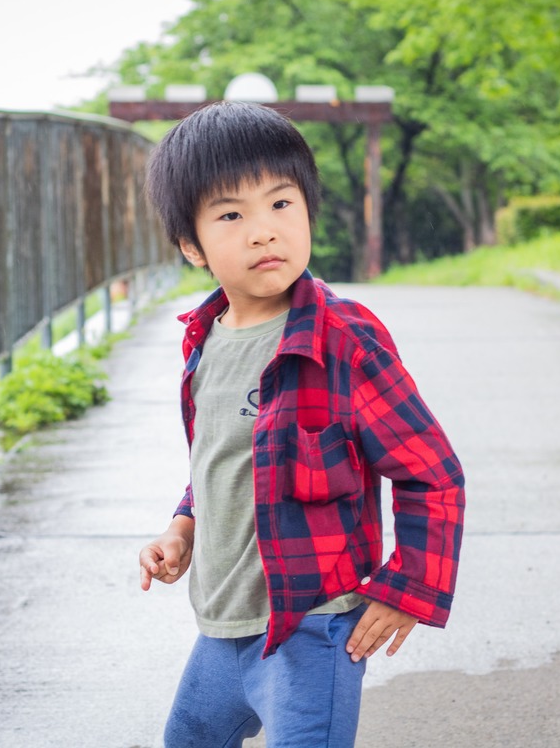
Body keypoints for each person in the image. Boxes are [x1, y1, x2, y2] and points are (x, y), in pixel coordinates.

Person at [138, 100, 465, 748]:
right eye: (231, 215)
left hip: (311, 632)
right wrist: (183, 527)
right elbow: (225, 460)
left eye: (281, 204)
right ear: (190, 245)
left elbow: (434, 472)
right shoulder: (203, 341)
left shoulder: (341, 340)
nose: (263, 231)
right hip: (221, 631)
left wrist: (406, 587)